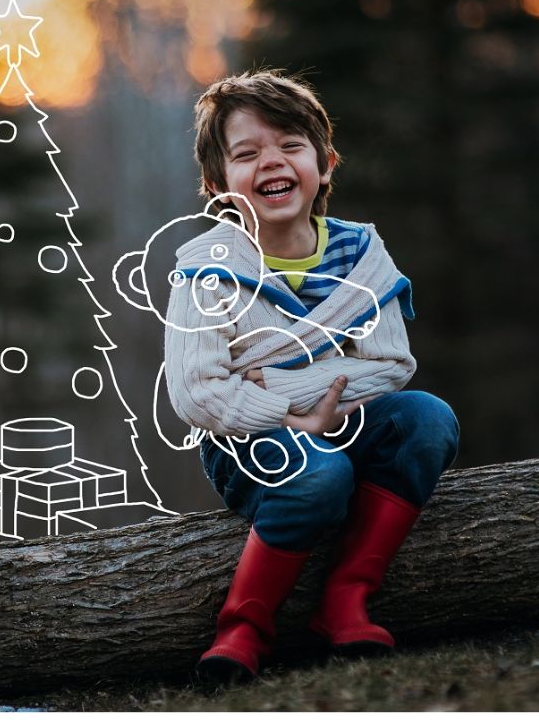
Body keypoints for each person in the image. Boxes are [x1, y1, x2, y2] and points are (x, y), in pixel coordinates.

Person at [163, 70, 460, 683]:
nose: (271, 162)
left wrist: (278, 384)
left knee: (427, 419)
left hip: (340, 421)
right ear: (220, 185)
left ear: (324, 164)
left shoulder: (360, 254)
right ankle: (242, 627)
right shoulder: (208, 272)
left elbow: (392, 364)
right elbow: (197, 393)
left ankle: (345, 598)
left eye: (291, 145)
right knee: (317, 472)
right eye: (247, 154)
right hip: (246, 442)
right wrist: (292, 413)